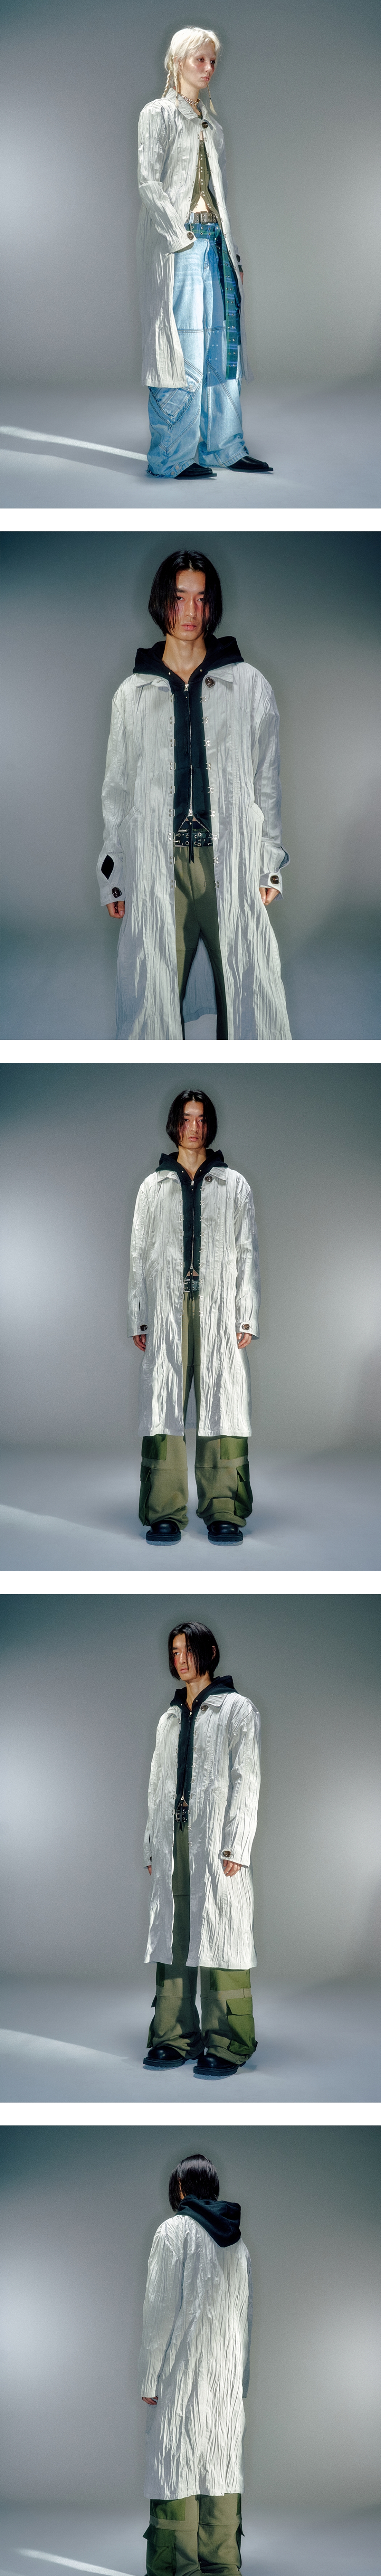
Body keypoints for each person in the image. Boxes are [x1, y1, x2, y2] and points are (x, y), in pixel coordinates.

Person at [97, 546, 290, 1041]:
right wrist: (114, 873)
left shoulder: (249, 685)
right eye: (179, 597)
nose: (190, 611)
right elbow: (118, 789)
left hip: (229, 857)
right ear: (161, 601)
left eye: (201, 599)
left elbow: (267, 780)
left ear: (212, 606)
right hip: (160, 862)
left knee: (249, 992)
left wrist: (269, 862)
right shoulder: (132, 694)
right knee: (153, 994)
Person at [137, 25, 272, 479]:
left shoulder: (211, 124)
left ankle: (224, 448)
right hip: (181, 243)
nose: (209, 67)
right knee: (183, 347)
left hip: (215, 242)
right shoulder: (158, 113)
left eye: (213, 60)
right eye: (201, 59)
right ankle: (172, 457)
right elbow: (149, 183)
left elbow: (220, 196)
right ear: (178, 60)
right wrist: (178, 239)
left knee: (223, 344)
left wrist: (231, 252)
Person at [128, 1086, 260, 1545]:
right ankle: (163, 1510)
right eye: (186, 1118)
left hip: (219, 1308)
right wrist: (140, 1316)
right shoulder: (153, 1187)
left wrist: (246, 1315)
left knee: (223, 1400)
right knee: (163, 1403)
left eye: (201, 1119)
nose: (194, 1127)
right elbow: (139, 1254)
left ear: (210, 1125)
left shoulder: (234, 1184)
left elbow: (248, 1251)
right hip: (168, 1309)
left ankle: (224, 1509)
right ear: (175, 1124)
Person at [143, 1619, 261, 2075]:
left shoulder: (236, 1708)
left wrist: (237, 1844)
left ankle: (228, 2041)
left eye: (188, 1650)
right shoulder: (170, 1717)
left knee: (220, 1930)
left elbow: (246, 1778)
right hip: (173, 1837)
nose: (180, 1659)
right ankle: (174, 2035)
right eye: (174, 1652)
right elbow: (157, 1785)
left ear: (209, 1652)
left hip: (215, 1839)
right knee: (174, 1934)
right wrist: (152, 1846)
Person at [138, 2150, 252, 2576]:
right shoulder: (237, 2243)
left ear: (181, 2188)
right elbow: (243, 2317)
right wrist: (240, 2382)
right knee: (219, 2462)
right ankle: (223, 2568)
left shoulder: (174, 2231)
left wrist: (150, 2378)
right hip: (225, 2377)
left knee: (176, 2462)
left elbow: (160, 2312)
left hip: (184, 2373)